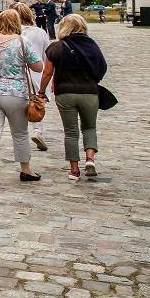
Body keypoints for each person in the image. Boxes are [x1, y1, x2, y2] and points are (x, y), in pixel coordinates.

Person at [0, 9, 43, 189]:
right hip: (16, 93)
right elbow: (38, 67)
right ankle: (26, 169)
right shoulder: (22, 41)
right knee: (20, 133)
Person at [39, 14, 107, 181]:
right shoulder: (92, 45)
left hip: (65, 93)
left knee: (71, 132)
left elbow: (47, 72)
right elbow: (103, 67)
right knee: (89, 127)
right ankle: (90, 160)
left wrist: (41, 92)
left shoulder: (56, 47)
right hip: (89, 93)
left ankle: (74, 170)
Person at [13, 3, 50, 151]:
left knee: (20, 106)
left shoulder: (12, 33)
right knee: (37, 104)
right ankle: (37, 130)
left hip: (17, 74)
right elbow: (47, 55)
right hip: (37, 73)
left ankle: (21, 134)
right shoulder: (40, 33)